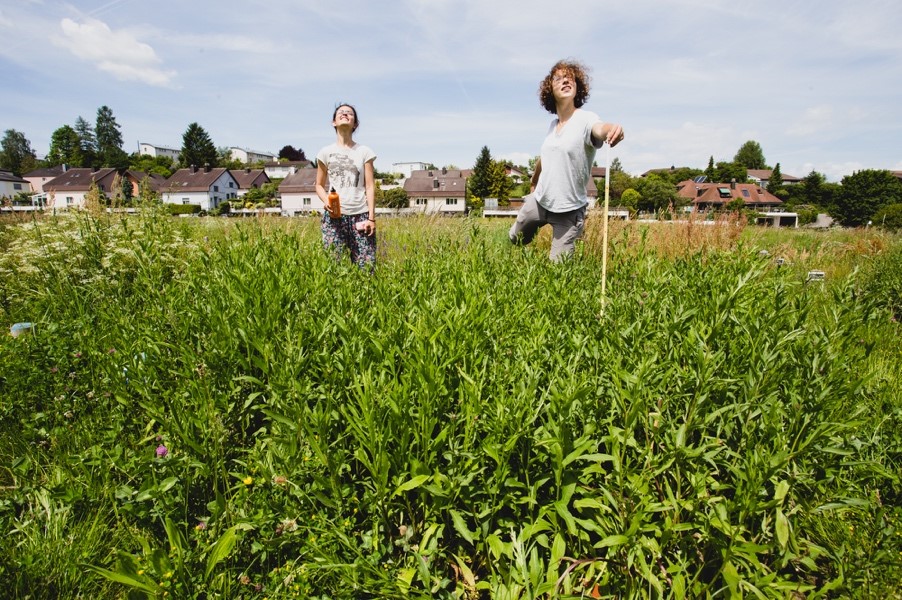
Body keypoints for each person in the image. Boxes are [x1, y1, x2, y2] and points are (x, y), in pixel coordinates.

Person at [510, 59, 625, 261]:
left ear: (577, 87)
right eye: (559, 78)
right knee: (514, 238)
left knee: (559, 271)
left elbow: (599, 128)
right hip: (539, 202)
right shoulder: (553, 126)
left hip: (569, 210)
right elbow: (544, 158)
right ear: (549, 89)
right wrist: (534, 180)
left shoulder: (586, 119)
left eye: (570, 78)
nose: (565, 81)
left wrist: (612, 130)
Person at [315, 103, 378, 270]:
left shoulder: (364, 151)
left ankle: (367, 297)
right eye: (340, 112)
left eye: (349, 113)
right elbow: (319, 185)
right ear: (333, 122)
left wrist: (371, 218)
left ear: (355, 124)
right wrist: (326, 200)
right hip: (334, 217)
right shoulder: (325, 153)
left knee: (366, 269)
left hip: (361, 216)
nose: (344, 114)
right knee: (334, 268)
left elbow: (370, 186)